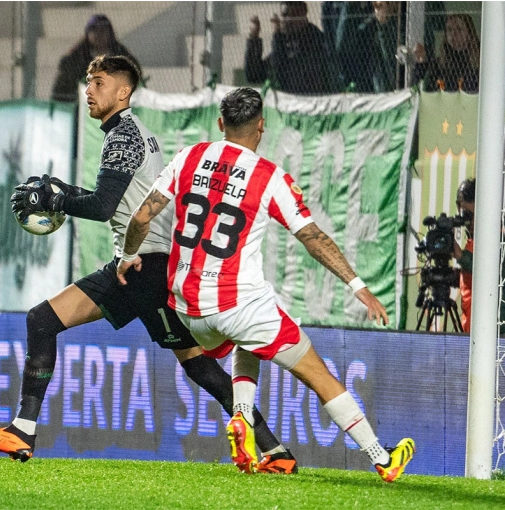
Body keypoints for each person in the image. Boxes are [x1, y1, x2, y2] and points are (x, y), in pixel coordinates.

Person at [0, 56, 298, 474]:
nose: (89, 89)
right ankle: (274, 449)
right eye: (88, 82)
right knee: (197, 364)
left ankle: (22, 429)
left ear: (123, 92)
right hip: (158, 266)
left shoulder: (122, 135)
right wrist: (66, 192)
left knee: (41, 320)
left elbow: (104, 207)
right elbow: (117, 197)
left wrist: (55, 200)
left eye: (99, 82)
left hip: (139, 267)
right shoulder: (133, 132)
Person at [116, 87, 415, 482]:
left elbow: (141, 217)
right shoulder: (269, 177)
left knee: (248, 338)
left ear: (221, 124)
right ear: (261, 127)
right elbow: (312, 238)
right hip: (234, 301)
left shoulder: (191, 157)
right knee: (317, 372)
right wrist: (357, 284)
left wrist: (126, 255)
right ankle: (382, 457)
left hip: (188, 306)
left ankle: (241, 418)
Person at [244, 0, 340, 95]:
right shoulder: (284, 42)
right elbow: (253, 76)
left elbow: (281, 71)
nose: (286, 21)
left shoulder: (316, 40)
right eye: (283, 15)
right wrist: (253, 38)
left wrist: (277, 37)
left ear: (302, 13)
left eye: (291, 15)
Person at [50, 14, 141, 103]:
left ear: (110, 34)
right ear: (88, 34)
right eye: (94, 31)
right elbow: (61, 91)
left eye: (103, 31)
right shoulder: (74, 60)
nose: (99, 35)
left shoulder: (124, 60)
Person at [412, 13, 480, 93]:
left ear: (469, 32)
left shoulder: (479, 60)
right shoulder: (439, 63)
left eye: (459, 29)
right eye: (449, 29)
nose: (453, 34)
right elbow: (419, 86)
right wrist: (421, 64)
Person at [453, 178, 475, 332]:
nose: (470, 221)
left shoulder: (498, 236)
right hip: (470, 326)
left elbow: (490, 270)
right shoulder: (472, 240)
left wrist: (460, 255)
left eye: (473, 215)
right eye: (466, 215)